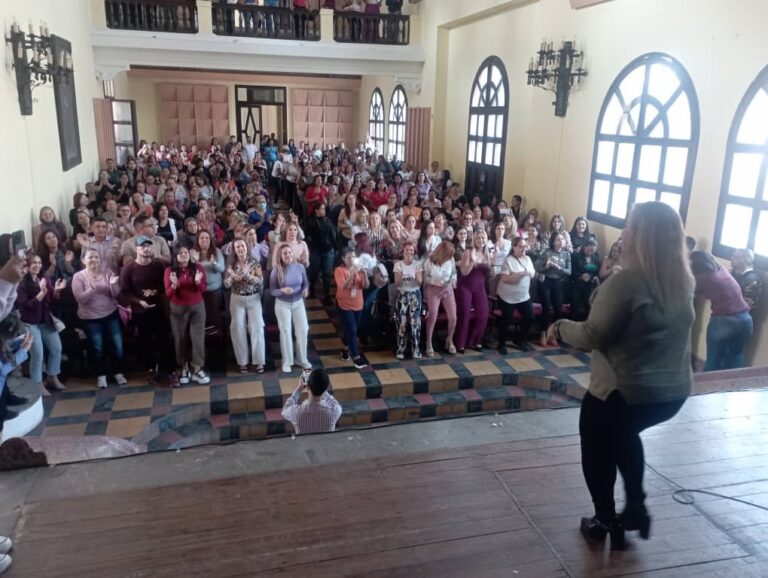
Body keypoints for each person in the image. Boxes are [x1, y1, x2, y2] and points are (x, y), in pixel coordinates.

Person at [550, 202, 696, 549]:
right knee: (623, 436)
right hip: (670, 392)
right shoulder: (681, 280)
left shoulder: (627, 282)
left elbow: (593, 335)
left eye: (629, 226)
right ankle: (635, 507)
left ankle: (605, 517)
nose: (623, 233)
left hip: (623, 391)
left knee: (597, 447)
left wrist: (559, 328)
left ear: (642, 236)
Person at [71, 249, 127, 389]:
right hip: (91, 318)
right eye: (90, 258)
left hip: (111, 313)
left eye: (96, 257)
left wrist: (114, 284)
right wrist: (92, 289)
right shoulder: (79, 277)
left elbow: (116, 295)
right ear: (83, 260)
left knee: (117, 345)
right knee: (97, 347)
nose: (94, 260)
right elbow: (80, 299)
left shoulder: (107, 272)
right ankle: (101, 375)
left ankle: (118, 372)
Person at [690, 250, 753, 371]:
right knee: (736, 355)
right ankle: (737, 386)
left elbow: (689, 290)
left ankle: (705, 388)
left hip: (724, 321)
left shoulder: (704, 278)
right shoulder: (721, 269)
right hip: (745, 320)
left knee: (713, 359)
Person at [15, 254, 66, 397]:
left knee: (57, 349)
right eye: (33, 263)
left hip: (45, 320)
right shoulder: (22, 284)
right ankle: (37, 384)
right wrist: (41, 294)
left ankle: (52, 376)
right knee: (37, 354)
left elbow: (51, 297)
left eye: (39, 262)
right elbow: (25, 306)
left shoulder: (44, 279)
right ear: (27, 265)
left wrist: (56, 290)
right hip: (30, 323)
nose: (37, 265)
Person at [164, 245, 211, 385]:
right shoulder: (170, 271)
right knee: (180, 338)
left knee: (198, 338)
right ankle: (183, 367)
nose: (184, 255)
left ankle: (197, 368)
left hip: (197, 308)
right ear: (176, 256)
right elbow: (168, 294)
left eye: (186, 252)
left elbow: (203, 288)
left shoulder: (198, 268)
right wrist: (174, 285)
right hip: (178, 309)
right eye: (181, 253)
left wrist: (197, 282)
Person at [224, 238, 265, 374]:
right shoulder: (231, 264)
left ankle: (259, 361)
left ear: (246, 247)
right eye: (237, 247)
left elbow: (260, 282)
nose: (241, 249)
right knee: (237, 329)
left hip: (254, 298)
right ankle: (242, 362)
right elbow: (226, 284)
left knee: (257, 328)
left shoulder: (254, 262)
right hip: (237, 299)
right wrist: (232, 278)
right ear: (234, 250)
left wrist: (248, 276)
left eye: (242, 246)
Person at [269, 243, 311, 374]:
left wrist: (305, 290)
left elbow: (305, 283)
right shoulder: (276, 270)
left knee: (303, 330)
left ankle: (301, 359)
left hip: (298, 302)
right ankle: (287, 362)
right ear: (280, 256)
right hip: (283, 304)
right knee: (286, 331)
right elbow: (272, 291)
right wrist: (282, 290)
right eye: (285, 253)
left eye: (289, 252)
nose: (288, 255)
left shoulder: (300, 267)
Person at [454, 229, 492, 353]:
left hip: (480, 287)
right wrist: (473, 262)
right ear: (474, 239)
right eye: (478, 238)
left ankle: (475, 340)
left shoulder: (487, 254)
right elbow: (464, 272)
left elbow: (489, 273)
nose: (480, 240)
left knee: (484, 314)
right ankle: (460, 343)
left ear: (486, 240)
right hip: (466, 286)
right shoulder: (468, 252)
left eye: (483, 238)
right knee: (464, 314)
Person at [496, 236, 535, 354]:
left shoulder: (528, 259)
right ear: (514, 247)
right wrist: (521, 274)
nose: (523, 249)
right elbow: (505, 279)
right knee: (507, 319)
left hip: (523, 297)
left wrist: (528, 273)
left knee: (530, 318)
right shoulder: (508, 260)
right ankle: (501, 343)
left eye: (525, 246)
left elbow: (532, 273)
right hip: (507, 297)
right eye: (520, 247)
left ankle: (518, 339)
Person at [334, 247, 368, 369]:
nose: (352, 259)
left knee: (351, 330)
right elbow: (344, 286)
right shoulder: (339, 270)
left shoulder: (358, 269)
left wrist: (364, 276)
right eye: (349, 257)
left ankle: (345, 349)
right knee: (352, 329)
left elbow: (365, 286)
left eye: (353, 257)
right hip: (344, 304)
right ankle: (356, 357)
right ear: (343, 259)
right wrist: (352, 273)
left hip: (358, 303)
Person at [423, 241, 457, 356]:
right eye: (448, 255)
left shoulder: (450, 259)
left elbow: (454, 272)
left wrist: (453, 281)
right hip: (433, 290)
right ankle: (429, 342)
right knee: (433, 316)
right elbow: (425, 278)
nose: (449, 257)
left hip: (447, 289)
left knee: (453, 317)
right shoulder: (429, 260)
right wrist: (435, 282)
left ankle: (450, 339)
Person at [536, 232, 571, 347]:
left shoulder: (567, 254)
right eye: (557, 239)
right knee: (546, 308)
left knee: (558, 309)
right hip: (546, 281)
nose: (560, 241)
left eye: (562, 239)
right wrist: (546, 266)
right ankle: (542, 334)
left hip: (557, 282)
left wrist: (558, 268)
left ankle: (553, 335)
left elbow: (568, 271)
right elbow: (538, 267)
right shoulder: (547, 252)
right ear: (553, 241)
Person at [281, 368, 342, 434]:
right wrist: (321, 386)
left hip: (305, 444)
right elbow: (332, 401)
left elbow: (284, 411)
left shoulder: (296, 412)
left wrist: (299, 389)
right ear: (327, 387)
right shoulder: (334, 411)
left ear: (307, 387)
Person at [393, 242, 423, 359]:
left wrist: (415, 275)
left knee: (415, 323)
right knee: (402, 323)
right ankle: (401, 349)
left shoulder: (418, 264)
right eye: (407, 250)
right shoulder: (398, 265)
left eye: (411, 250)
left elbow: (420, 283)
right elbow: (397, 283)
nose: (409, 252)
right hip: (402, 295)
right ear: (403, 251)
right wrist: (402, 275)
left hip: (415, 295)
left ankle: (416, 349)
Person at [304, 202, 337, 305]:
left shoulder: (328, 220)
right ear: (316, 210)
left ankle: (326, 295)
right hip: (316, 250)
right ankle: (312, 290)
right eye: (321, 209)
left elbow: (333, 235)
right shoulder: (310, 221)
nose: (323, 211)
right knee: (314, 272)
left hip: (328, 250)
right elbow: (306, 236)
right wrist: (311, 246)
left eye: (324, 209)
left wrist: (334, 247)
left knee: (327, 273)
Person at [194, 231, 225, 334]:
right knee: (201, 315)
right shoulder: (193, 252)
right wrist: (194, 263)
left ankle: (217, 335)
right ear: (198, 240)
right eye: (202, 238)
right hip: (199, 289)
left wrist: (214, 263)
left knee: (214, 314)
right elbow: (188, 271)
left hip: (214, 289)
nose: (205, 240)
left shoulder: (217, 251)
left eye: (207, 238)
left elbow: (222, 269)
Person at [571, 238, 601, 322]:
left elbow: (597, 271)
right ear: (584, 247)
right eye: (589, 248)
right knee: (575, 308)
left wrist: (592, 276)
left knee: (589, 308)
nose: (591, 251)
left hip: (590, 286)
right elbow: (571, 272)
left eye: (593, 249)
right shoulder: (576, 256)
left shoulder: (596, 257)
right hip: (577, 285)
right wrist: (581, 276)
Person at [731, 248, 763, 315]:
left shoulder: (753, 279)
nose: (732, 258)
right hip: (729, 314)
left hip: (741, 319)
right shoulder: (734, 274)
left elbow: (747, 306)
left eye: (736, 257)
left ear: (746, 260)